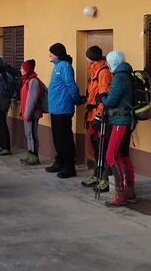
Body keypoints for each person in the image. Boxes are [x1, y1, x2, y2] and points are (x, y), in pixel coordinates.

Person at [101, 50, 137, 206]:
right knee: (123, 155)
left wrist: (102, 97)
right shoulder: (127, 74)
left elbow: (111, 101)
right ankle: (129, 190)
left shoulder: (119, 77)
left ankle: (120, 192)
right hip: (127, 120)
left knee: (111, 155)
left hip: (120, 121)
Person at [45, 42, 83, 179]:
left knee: (65, 139)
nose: (50, 55)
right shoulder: (58, 66)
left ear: (57, 54)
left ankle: (69, 166)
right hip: (56, 108)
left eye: (51, 53)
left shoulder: (65, 66)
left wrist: (76, 99)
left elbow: (71, 85)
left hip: (63, 108)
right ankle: (60, 161)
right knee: (58, 138)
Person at [82, 46, 112, 193]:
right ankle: (97, 174)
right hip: (92, 114)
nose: (86, 59)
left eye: (87, 56)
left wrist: (99, 115)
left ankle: (105, 178)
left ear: (91, 57)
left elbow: (103, 96)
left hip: (99, 116)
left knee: (103, 148)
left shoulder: (103, 72)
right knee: (96, 147)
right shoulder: (94, 70)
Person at [19, 59, 42, 166]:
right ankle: (30, 153)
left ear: (27, 69)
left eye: (22, 68)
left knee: (32, 134)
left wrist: (27, 115)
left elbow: (32, 100)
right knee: (28, 134)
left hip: (31, 114)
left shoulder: (33, 81)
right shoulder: (26, 80)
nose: (20, 69)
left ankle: (34, 156)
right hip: (27, 114)